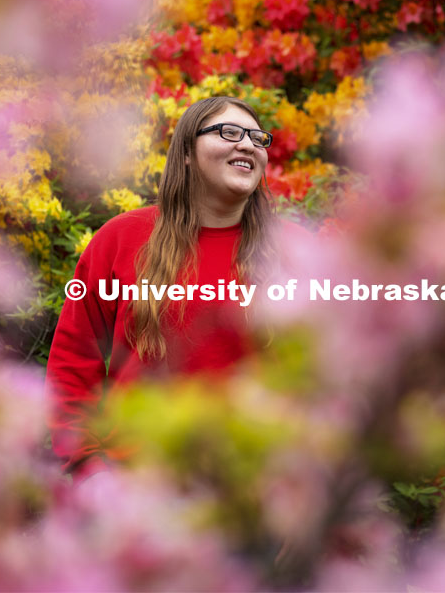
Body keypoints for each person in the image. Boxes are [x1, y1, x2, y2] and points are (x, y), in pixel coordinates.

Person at [46, 96, 279, 480]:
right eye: (229, 132)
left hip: (253, 496)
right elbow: (72, 364)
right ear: (187, 152)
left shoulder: (292, 252)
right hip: (137, 489)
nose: (248, 144)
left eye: (258, 138)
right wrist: (88, 467)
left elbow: (324, 380)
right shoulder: (118, 240)